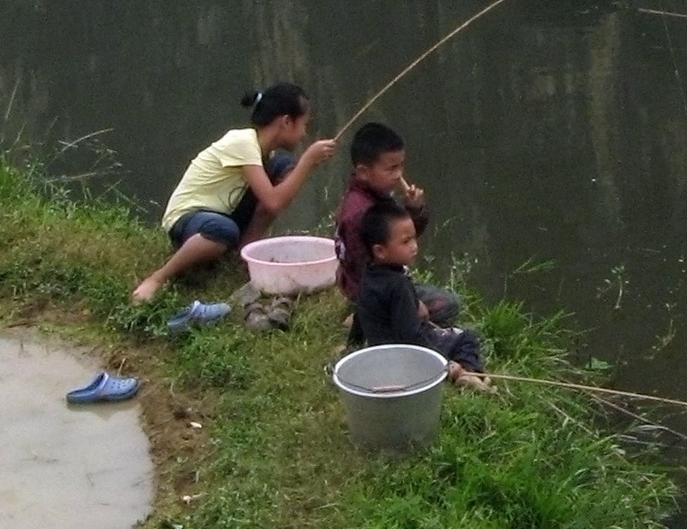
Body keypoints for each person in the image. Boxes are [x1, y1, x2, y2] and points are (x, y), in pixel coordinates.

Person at [132, 83, 337, 302]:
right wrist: (308, 160)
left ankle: (241, 257)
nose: (304, 132)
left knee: (284, 166)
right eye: (304, 124)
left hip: (221, 211)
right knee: (224, 230)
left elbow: (270, 203)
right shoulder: (242, 143)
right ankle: (158, 278)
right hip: (188, 219)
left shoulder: (264, 153)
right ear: (286, 122)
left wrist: (303, 165)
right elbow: (273, 202)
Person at [333, 122, 459, 337]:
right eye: (391, 169)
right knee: (447, 305)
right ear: (363, 172)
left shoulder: (375, 194)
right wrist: (411, 301)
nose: (399, 175)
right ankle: (363, 317)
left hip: (382, 279)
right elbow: (367, 274)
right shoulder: (359, 214)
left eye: (401, 166)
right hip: (372, 290)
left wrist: (414, 209)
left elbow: (399, 239)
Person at [354, 199, 494, 391]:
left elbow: (360, 313)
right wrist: (444, 364)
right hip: (404, 359)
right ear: (380, 251)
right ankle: (466, 372)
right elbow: (411, 335)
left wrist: (353, 344)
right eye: (405, 241)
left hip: (380, 352)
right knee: (466, 337)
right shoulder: (398, 285)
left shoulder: (368, 275)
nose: (414, 246)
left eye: (413, 238)